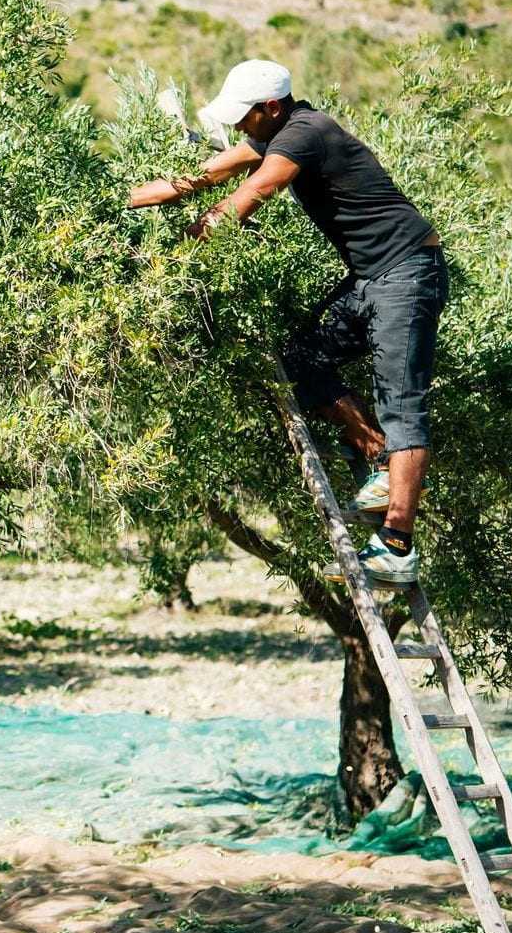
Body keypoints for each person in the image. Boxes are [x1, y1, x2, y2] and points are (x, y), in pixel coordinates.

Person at [127, 60, 447, 588]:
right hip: (371, 276)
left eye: (243, 116)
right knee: (302, 360)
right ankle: (377, 462)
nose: (236, 127)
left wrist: (186, 245)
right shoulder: (275, 137)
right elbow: (199, 179)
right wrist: (111, 202)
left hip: (409, 272)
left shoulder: (307, 133)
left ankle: (396, 545)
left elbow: (250, 195)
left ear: (271, 107)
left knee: (403, 403)